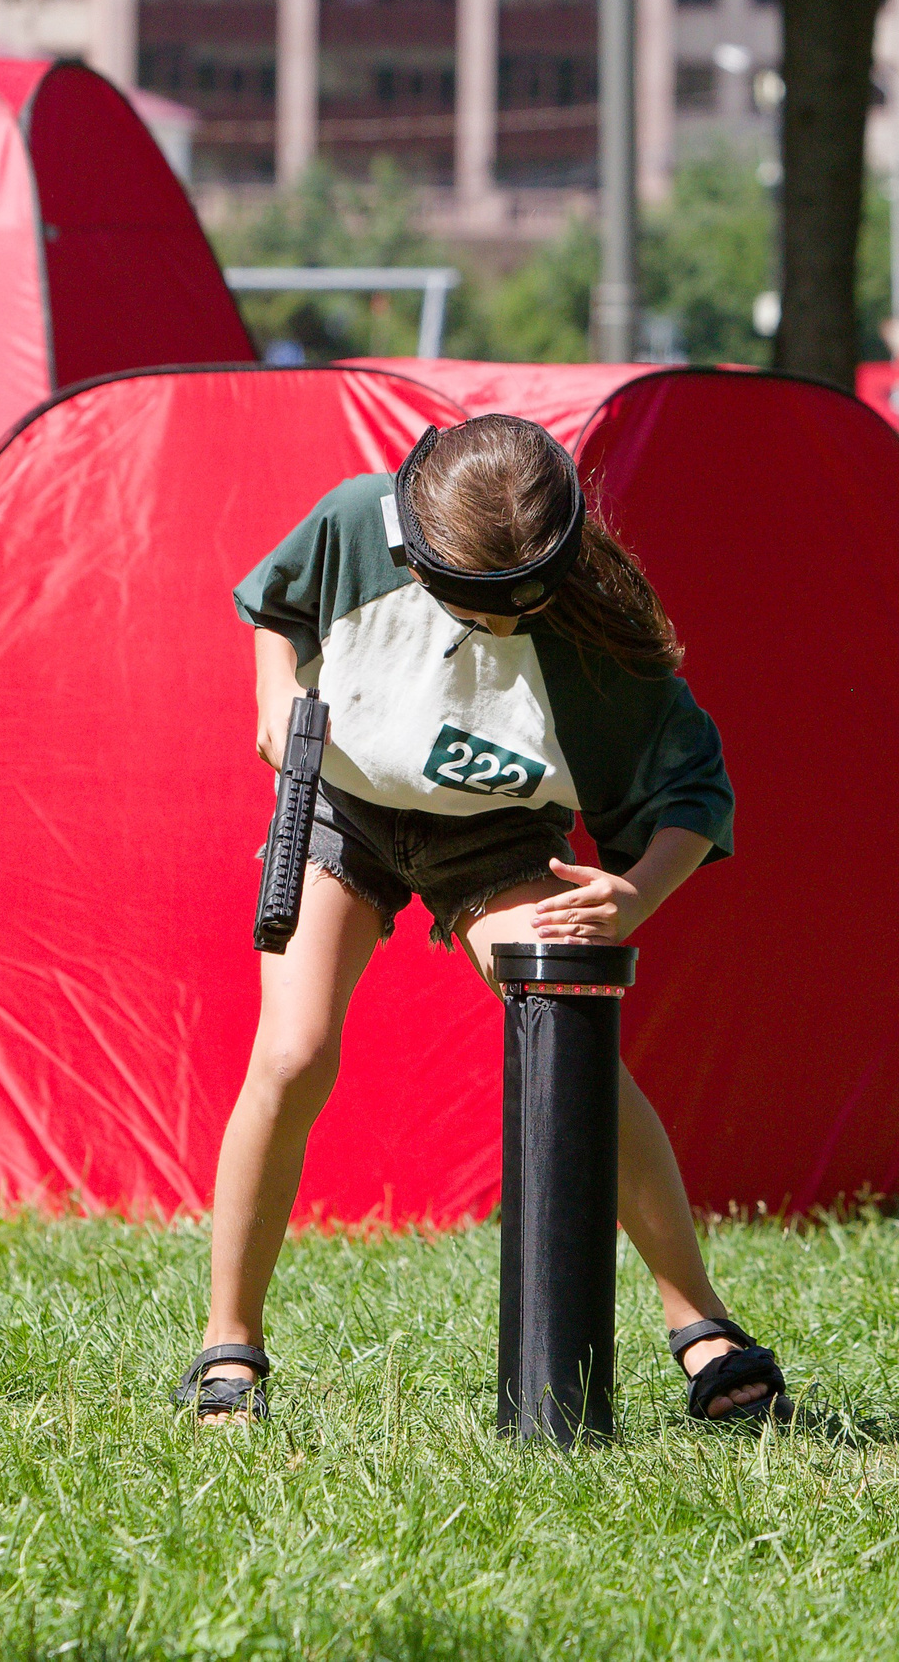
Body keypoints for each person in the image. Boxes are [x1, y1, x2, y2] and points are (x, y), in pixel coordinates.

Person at [176, 414, 792, 1428]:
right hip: (344, 805)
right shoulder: (354, 519)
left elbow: (694, 791)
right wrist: (275, 692)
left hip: (500, 835)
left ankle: (700, 1322)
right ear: (413, 546)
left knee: (573, 1048)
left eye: (520, 606)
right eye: (469, 604)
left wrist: (636, 891)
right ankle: (227, 1344)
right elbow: (276, 604)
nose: (499, 627)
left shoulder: (593, 636)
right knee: (291, 1054)